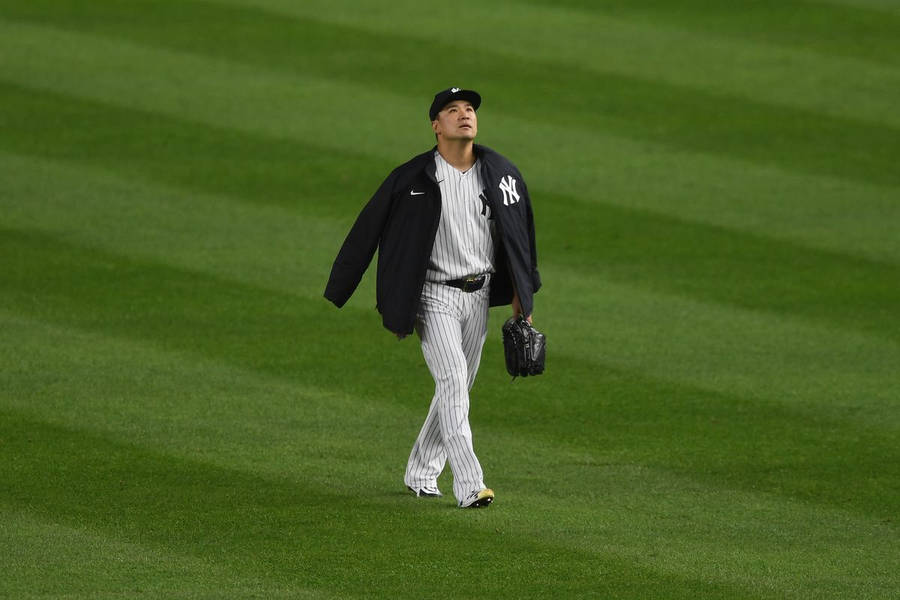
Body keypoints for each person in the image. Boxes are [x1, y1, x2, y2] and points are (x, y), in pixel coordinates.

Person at [324, 87, 541, 508]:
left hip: (478, 296)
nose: (465, 115)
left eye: (470, 109)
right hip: (432, 296)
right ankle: (469, 484)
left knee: (455, 390)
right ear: (436, 126)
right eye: (453, 110)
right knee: (453, 382)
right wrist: (340, 287)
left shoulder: (502, 174)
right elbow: (365, 231)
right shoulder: (412, 178)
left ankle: (421, 471)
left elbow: (519, 239)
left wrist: (523, 304)